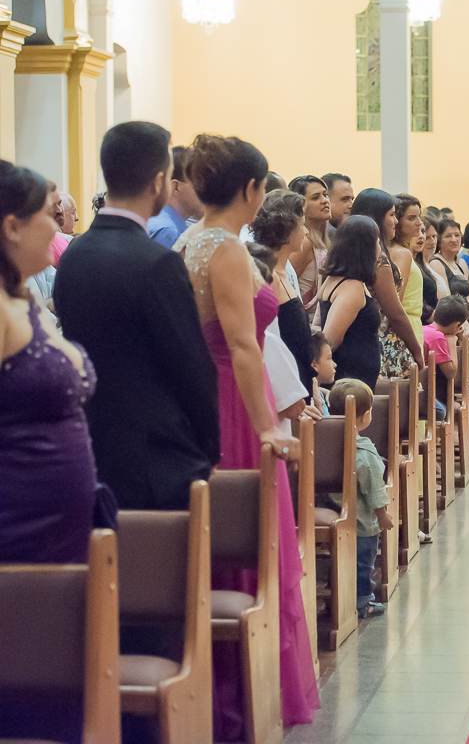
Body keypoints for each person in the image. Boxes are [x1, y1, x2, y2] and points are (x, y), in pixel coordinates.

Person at [175, 133, 318, 735]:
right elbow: (241, 345)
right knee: (253, 540)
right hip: (235, 401)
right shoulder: (226, 250)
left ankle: (224, 692)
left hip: (203, 397)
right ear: (252, 188)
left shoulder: (188, 241)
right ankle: (243, 694)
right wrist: (267, 426)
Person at [55, 122, 220, 511]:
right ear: (159, 181)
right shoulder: (158, 263)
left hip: (89, 447)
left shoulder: (74, 255)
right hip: (155, 458)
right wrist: (209, 447)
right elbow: (190, 366)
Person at [0, 161, 97, 566]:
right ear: (12, 227)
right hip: (21, 523)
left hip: (59, 522)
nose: (57, 228)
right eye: (47, 214)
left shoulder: (23, 297)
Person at [326, 378, 394, 618]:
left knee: (339, 563)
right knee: (363, 565)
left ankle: (337, 598)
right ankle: (363, 602)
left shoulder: (326, 443)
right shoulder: (365, 452)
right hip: (363, 524)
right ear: (365, 417)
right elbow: (374, 489)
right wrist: (383, 515)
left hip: (334, 512)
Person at [350, 189, 424, 380]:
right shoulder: (382, 259)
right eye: (392, 215)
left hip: (359, 337)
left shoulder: (348, 253)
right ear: (377, 218)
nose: (396, 221)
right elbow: (395, 310)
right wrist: (416, 350)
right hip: (384, 339)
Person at [251, 189, 316, 394]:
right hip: (285, 388)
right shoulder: (269, 277)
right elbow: (269, 345)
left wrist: (312, 383)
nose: (306, 232)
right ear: (288, 229)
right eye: (302, 224)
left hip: (299, 379)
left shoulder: (285, 272)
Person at [319, 216, 384, 389]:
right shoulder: (351, 288)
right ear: (365, 248)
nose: (380, 247)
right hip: (349, 381)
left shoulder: (336, 279)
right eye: (377, 241)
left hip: (355, 380)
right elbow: (329, 340)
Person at [288, 174, 331, 313]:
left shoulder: (323, 241)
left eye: (325, 195)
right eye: (315, 197)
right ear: (300, 206)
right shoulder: (304, 243)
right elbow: (286, 285)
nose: (325, 201)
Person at [390, 193, 426, 353]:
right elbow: (397, 300)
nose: (419, 223)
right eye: (411, 218)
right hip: (407, 326)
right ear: (397, 221)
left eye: (419, 217)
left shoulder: (400, 250)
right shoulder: (402, 253)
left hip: (410, 323)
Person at [147, 145, 199, 249]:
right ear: (176, 187)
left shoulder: (172, 224)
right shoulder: (167, 231)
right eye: (198, 182)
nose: (204, 189)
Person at [424, 295, 469, 409]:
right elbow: (451, 373)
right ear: (456, 325)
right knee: (442, 410)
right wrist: (451, 341)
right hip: (424, 396)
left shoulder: (424, 329)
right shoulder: (437, 337)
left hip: (418, 388)